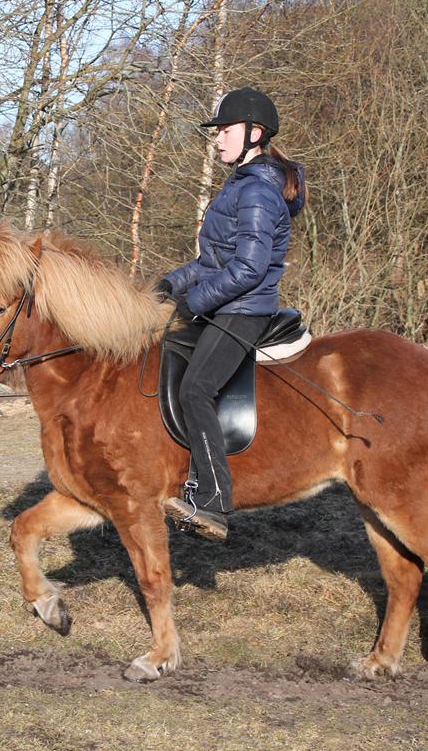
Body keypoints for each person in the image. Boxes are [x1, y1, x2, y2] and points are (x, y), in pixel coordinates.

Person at [156, 87, 306, 542]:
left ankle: (214, 499)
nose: (218, 138)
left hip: (243, 309)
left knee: (196, 388)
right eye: (218, 131)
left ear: (254, 134)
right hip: (226, 300)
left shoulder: (258, 190)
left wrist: (194, 301)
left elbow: (247, 269)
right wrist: (168, 285)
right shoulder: (239, 183)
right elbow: (210, 262)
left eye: (226, 130)